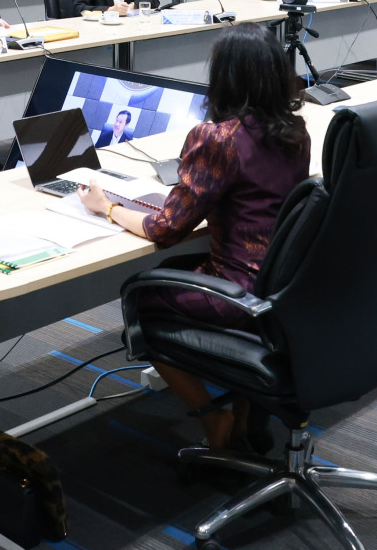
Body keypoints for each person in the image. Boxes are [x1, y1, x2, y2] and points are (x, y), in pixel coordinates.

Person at [81, 25, 310, 452]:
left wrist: (107, 207)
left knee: (139, 298)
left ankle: (213, 419)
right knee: (171, 271)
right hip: (285, 284)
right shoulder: (295, 132)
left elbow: (166, 229)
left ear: (225, 78)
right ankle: (245, 415)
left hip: (238, 292)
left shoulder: (218, 139)